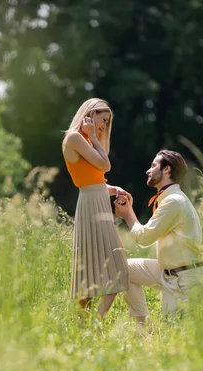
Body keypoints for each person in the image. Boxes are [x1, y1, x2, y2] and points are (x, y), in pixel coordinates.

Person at [62, 98, 145, 319]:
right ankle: (88, 323)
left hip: (97, 200)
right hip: (90, 205)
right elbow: (105, 165)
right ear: (90, 114)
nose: (103, 126)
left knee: (117, 265)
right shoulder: (75, 138)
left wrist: (113, 188)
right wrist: (93, 137)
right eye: (103, 120)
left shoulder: (87, 141)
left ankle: (96, 320)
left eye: (107, 123)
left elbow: (94, 180)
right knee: (89, 269)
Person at [114, 150, 203, 319]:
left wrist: (128, 214)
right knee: (124, 268)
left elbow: (144, 238)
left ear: (166, 170)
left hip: (186, 279)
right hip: (170, 271)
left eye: (153, 166)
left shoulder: (173, 201)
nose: (148, 170)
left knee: (176, 333)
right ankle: (144, 328)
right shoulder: (170, 198)